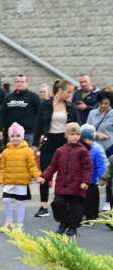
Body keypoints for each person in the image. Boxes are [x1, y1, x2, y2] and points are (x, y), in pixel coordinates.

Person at [33, 79, 80, 218]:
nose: (70, 95)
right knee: (45, 173)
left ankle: (64, 203)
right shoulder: (45, 105)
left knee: (66, 174)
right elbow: (38, 124)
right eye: (68, 92)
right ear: (60, 90)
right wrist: (35, 144)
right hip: (49, 141)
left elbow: (78, 125)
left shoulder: (71, 107)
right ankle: (43, 205)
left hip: (65, 142)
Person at [39, 122, 91, 237]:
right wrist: (44, 176)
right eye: (72, 134)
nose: (75, 137)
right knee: (58, 203)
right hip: (62, 184)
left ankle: (73, 226)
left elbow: (87, 168)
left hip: (77, 185)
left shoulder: (83, 151)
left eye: (77, 134)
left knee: (75, 207)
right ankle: (63, 222)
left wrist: (85, 182)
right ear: (66, 135)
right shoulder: (60, 151)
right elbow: (53, 166)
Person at [0, 123, 41, 231]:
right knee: (6, 200)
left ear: (22, 137)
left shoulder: (28, 151)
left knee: (19, 202)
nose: (15, 138)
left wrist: (37, 177)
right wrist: (1, 180)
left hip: (22, 182)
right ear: (9, 137)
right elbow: (3, 168)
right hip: (9, 181)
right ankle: (8, 220)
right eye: (12, 136)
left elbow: (32, 166)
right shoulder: (6, 152)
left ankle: (20, 222)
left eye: (18, 136)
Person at [85, 91, 113, 210]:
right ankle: (90, 205)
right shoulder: (92, 113)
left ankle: (108, 200)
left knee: (109, 174)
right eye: (102, 103)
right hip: (95, 148)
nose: (103, 106)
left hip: (110, 148)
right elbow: (86, 130)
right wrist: (97, 134)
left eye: (106, 103)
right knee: (92, 175)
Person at [1, 75, 42, 147]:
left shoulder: (33, 97)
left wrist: (41, 132)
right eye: (17, 82)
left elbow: (41, 114)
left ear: (27, 83)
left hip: (29, 133)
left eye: (22, 82)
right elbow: (2, 114)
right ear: (14, 83)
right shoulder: (8, 98)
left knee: (29, 156)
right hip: (13, 134)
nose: (19, 83)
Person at [79, 124, 106, 223]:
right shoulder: (78, 151)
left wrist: (101, 177)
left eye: (89, 139)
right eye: (85, 139)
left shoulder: (96, 151)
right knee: (81, 199)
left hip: (92, 180)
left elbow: (100, 165)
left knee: (92, 199)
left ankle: (92, 215)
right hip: (80, 180)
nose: (87, 142)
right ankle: (81, 213)